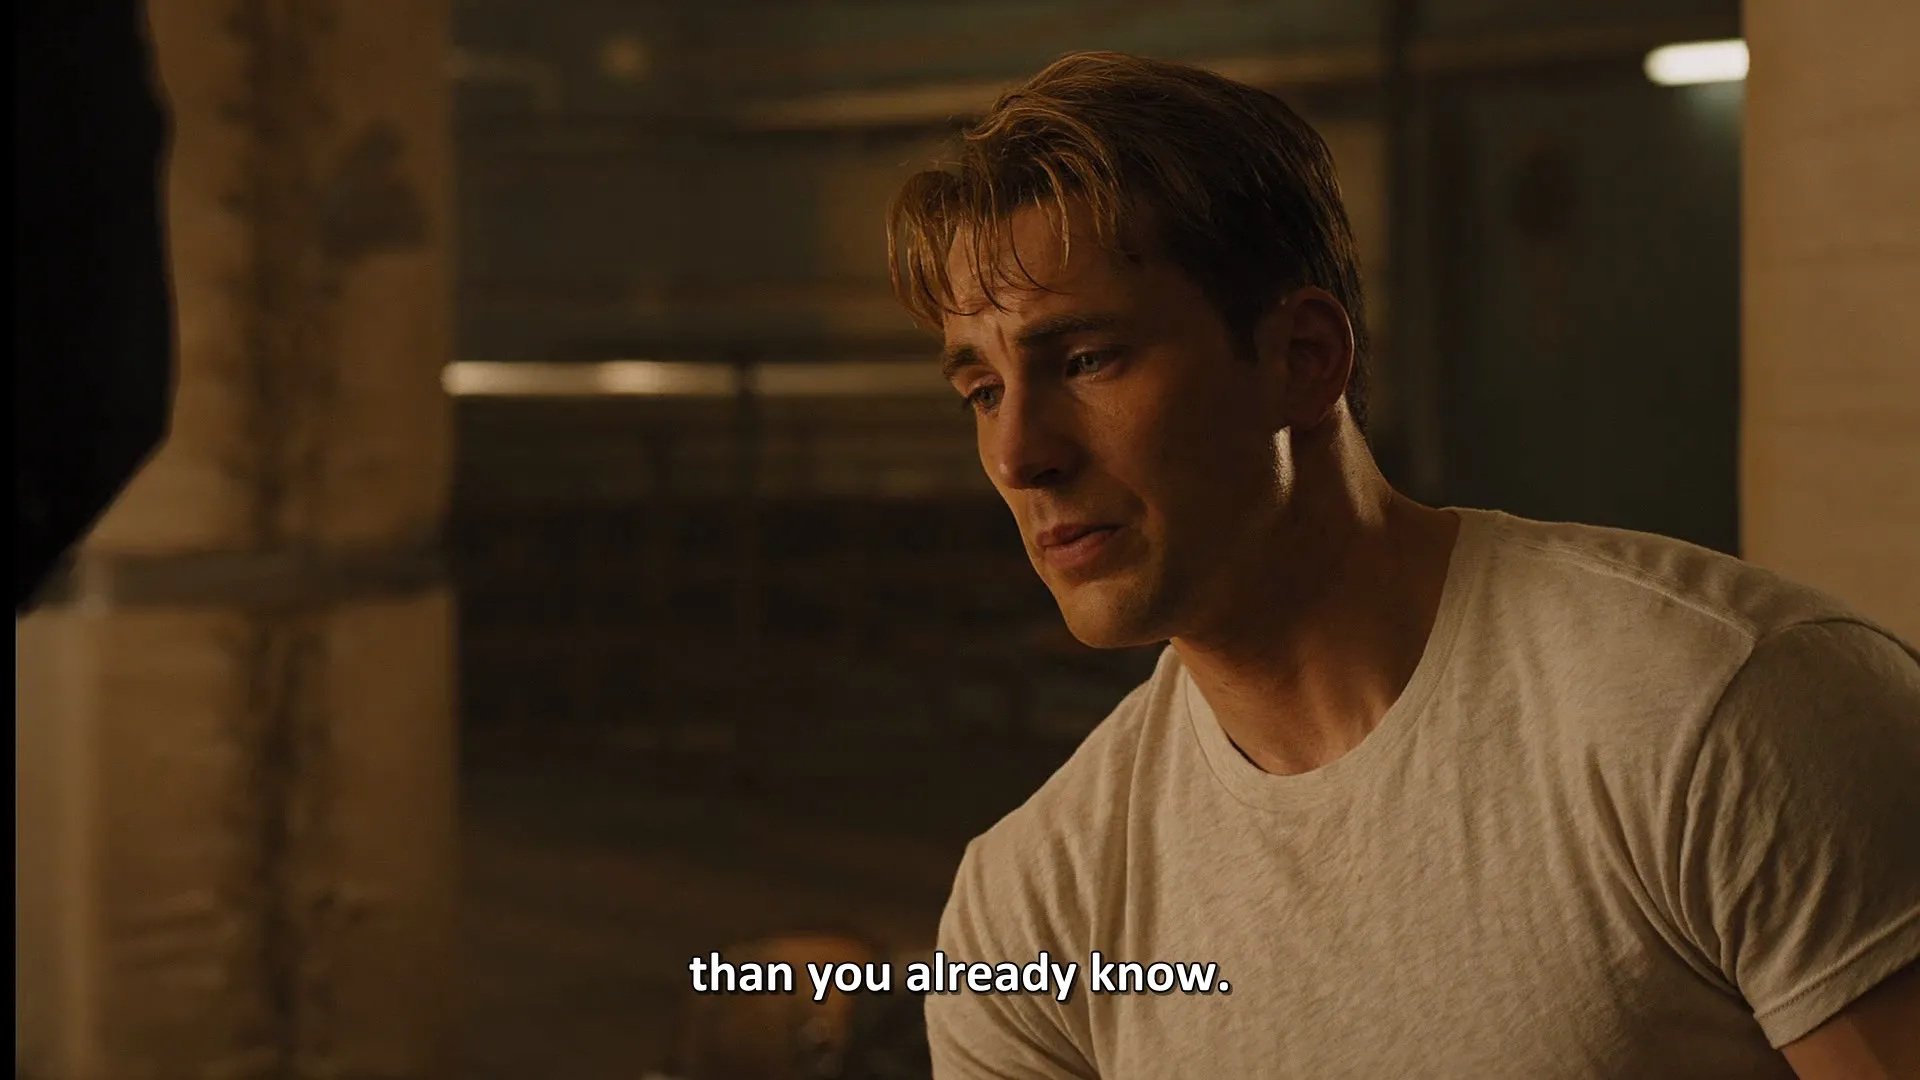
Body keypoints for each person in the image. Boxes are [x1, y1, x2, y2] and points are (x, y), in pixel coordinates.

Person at [883, 51, 1920, 1079]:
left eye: (1085, 360)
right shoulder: (1029, 916)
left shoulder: (1722, 709)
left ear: (1303, 360)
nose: (1018, 455)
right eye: (983, 392)